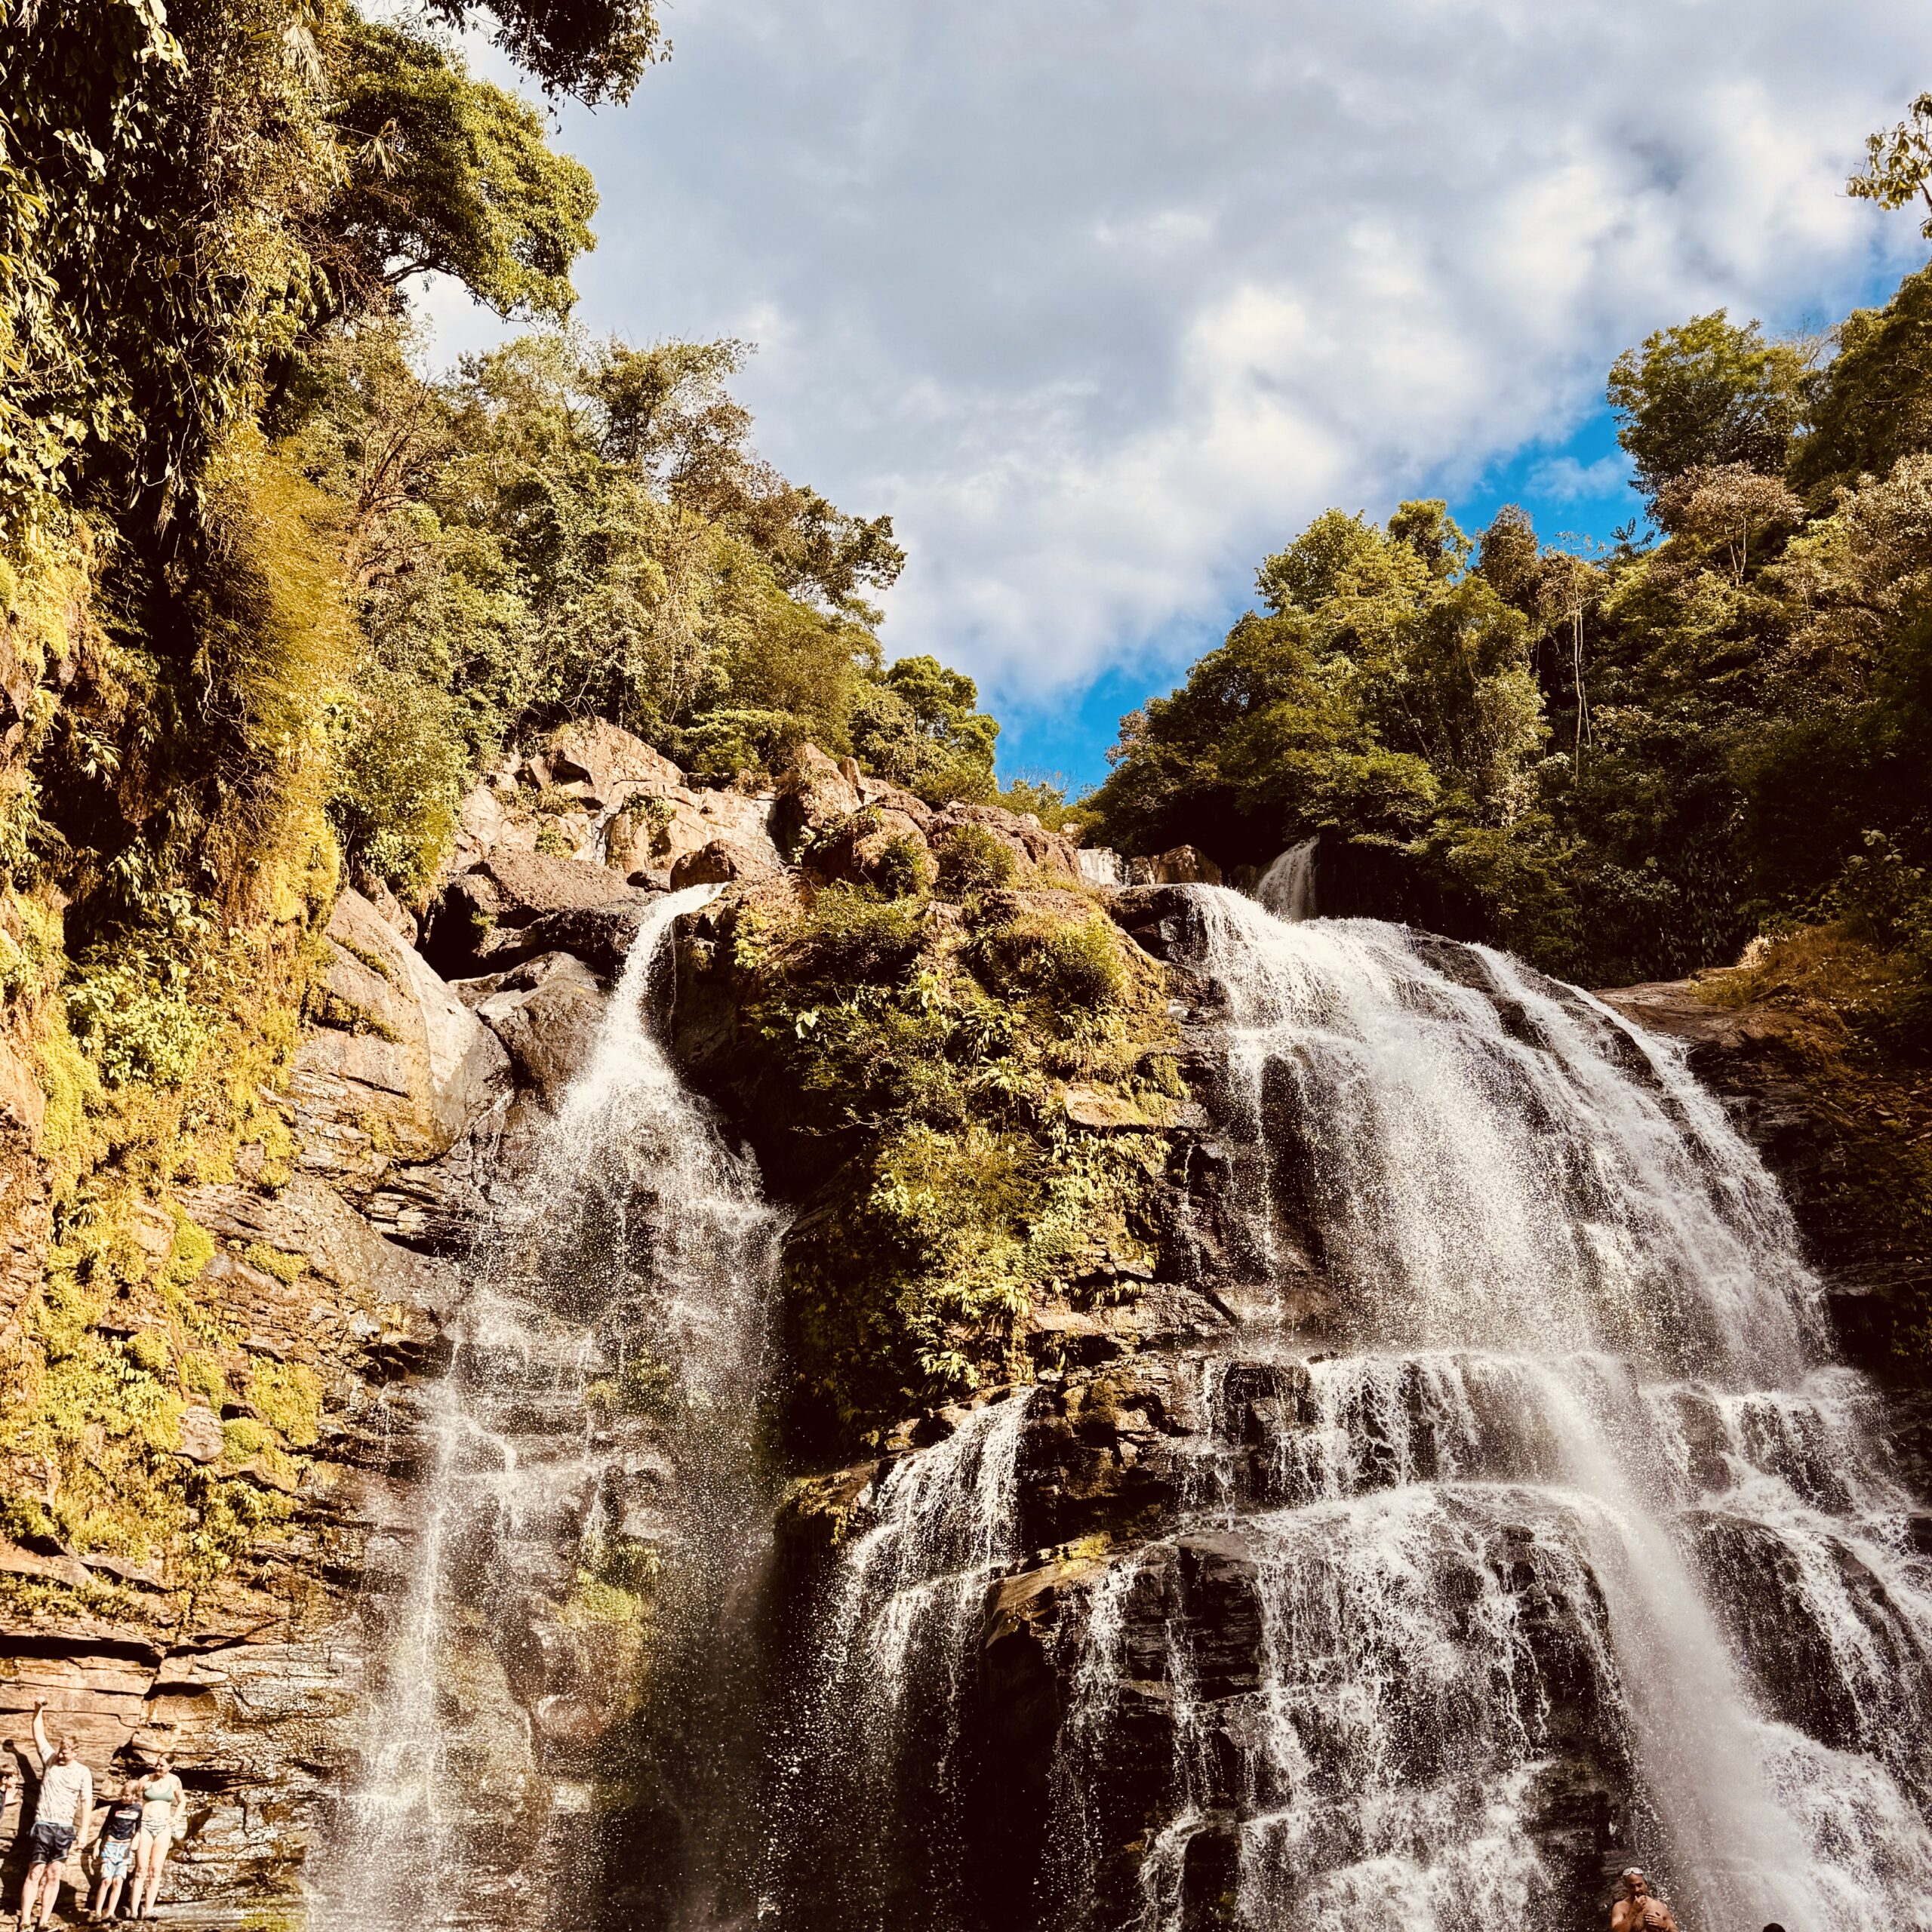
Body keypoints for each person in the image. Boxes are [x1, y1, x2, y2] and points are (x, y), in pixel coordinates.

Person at [20, 1700, 94, 1932]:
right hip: (43, 1825)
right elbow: (38, 1734)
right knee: (36, 1871)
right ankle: (24, 1921)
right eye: (60, 1751)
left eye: (66, 1753)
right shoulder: (50, 1760)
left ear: (76, 1752)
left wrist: (83, 1833)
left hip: (64, 1828)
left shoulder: (83, 1772)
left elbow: (86, 1802)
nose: (61, 1755)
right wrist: (38, 1710)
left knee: (54, 1874)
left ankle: (43, 1922)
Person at [125, 1760, 182, 1921]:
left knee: (155, 1870)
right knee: (141, 1869)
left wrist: (176, 1817)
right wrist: (135, 1818)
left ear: (171, 1766)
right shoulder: (147, 1779)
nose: (158, 1768)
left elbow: (182, 1801)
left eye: (162, 1765)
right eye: (157, 1764)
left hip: (163, 1827)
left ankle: (148, 1910)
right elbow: (133, 1795)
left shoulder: (175, 1780)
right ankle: (134, 1911)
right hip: (145, 1825)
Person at [88, 1783, 143, 1924]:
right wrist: (98, 1844)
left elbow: (139, 1828)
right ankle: (98, 1912)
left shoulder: (138, 1809)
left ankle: (111, 1912)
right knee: (106, 1880)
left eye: (127, 1795)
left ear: (135, 1796)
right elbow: (106, 1826)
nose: (124, 1798)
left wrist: (136, 1840)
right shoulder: (115, 1807)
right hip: (111, 1845)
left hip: (125, 1849)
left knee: (118, 1881)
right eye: (123, 1795)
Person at [1610, 1868, 1679, 1932]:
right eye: (1632, 1886)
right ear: (1626, 1887)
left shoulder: (1658, 1906)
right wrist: (1633, 1912)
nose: (1636, 1890)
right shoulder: (1620, 1908)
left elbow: (1675, 1930)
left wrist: (1665, 1926)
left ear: (1646, 1884)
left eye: (1639, 1885)